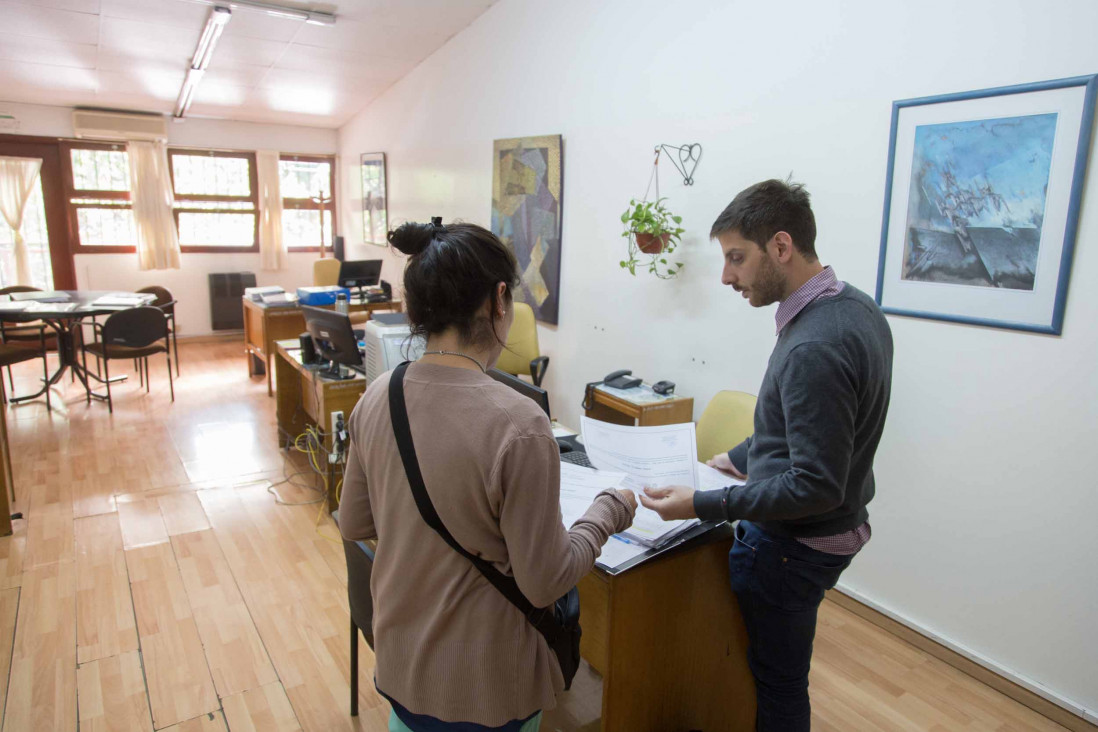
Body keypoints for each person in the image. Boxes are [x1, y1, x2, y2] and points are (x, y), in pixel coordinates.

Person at [338, 219, 636, 732]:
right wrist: (606, 511)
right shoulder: (521, 423)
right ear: (499, 300)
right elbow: (544, 582)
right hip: (487, 686)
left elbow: (353, 523)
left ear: (417, 306)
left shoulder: (378, 396)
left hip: (403, 667)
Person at [640, 179, 893, 732]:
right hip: (833, 529)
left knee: (778, 685)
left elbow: (814, 483)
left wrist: (703, 502)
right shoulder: (854, 308)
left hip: (792, 548)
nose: (727, 276)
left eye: (736, 258)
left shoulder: (813, 346)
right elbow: (804, 430)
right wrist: (737, 456)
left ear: (781, 247)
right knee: (772, 672)